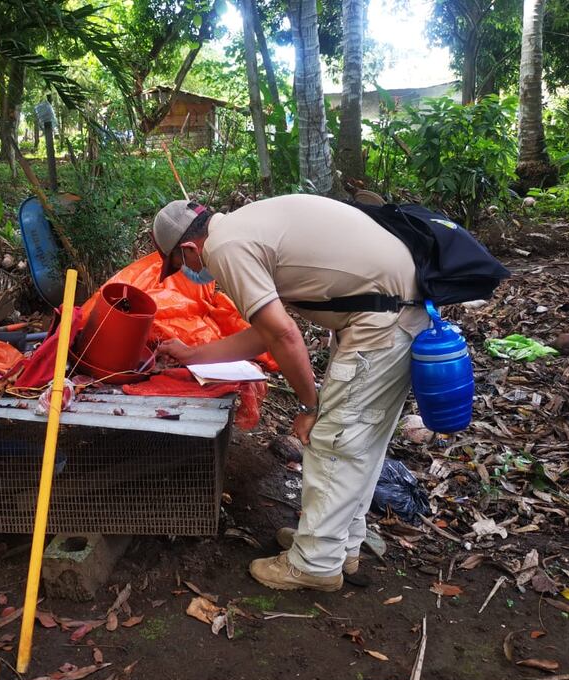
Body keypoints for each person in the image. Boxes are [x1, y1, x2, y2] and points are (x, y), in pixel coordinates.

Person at [152, 194, 429, 592]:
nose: (188, 273)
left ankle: (315, 563)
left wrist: (309, 405)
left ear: (190, 248)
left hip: (381, 322)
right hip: (390, 312)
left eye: (180, 264)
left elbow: (283, 334)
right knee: (359, 444)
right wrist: (192, 354)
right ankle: (339, 545)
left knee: (333, 441)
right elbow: (265, 333)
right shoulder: (245, 226)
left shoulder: (226, 248)